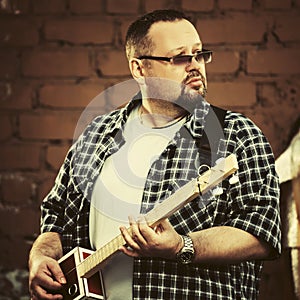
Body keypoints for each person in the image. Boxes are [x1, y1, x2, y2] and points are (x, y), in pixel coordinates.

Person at [28, 9, 281, 300]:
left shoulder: (237, 134)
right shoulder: (96, 134)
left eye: (199, 55)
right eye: (179, 58)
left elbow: (261, 233)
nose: (195, 66)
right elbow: (57, 216)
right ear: (139, 69)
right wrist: (40, 257)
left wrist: (181, 246)